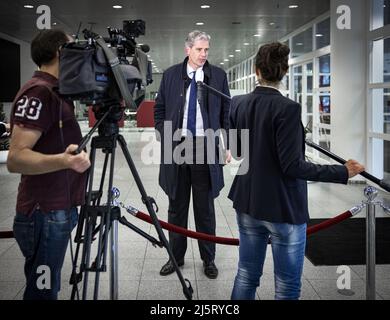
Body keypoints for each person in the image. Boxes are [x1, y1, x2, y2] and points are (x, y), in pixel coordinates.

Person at [228, 42, 365, 300]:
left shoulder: (237, 104)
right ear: (284, 72)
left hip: (247, 201)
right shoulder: (289, 109)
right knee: (287, 286)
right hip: (283, 208)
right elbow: (292, 166)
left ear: (256, 70)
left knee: (246, 275)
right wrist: (342, 172)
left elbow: (236, 152)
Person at [7, 29, 90, 300]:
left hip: (57, 209)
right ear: (59, 52)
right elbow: (16, 157)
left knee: (47, 286)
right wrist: (63, 160)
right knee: (43, 291)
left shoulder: (56, 91)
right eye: (72, 48)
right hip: (44, 213)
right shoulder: (38, 93)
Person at [154, 30, 231, 279]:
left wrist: (228, 143)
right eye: (199, 49)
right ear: (187, 49)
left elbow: (226, 111)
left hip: (205, 146)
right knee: (176, 206)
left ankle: (208, 259)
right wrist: (162, 133)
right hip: (177, 145)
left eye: (206, 50)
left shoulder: (217, 76)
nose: (203, 54)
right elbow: (160, 108)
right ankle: (175, 257)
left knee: (204, 207)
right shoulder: (170, 75)